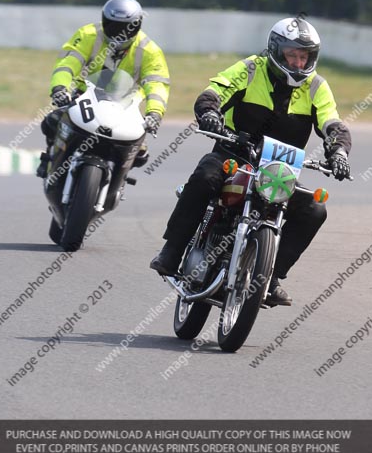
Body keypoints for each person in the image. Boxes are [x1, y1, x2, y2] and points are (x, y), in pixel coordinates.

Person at [150, 16, 352, 306]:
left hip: (280, 169)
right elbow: (215, 91)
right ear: (276, 50)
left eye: (303, 57)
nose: (297, 63)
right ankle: (173, 249)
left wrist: (339, 152)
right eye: (292, 55)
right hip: (233, 155)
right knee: (205, 176)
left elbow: (332, 122)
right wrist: (209, 112)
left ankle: (272, 277)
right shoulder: (250, 69)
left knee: (314, 209)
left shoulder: (316, 86)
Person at [36, 0, 170, 178]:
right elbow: (67, 64)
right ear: (104, 21)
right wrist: (60, 88)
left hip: (125, 104)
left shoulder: (149, 50)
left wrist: (155, 112)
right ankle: (50, 158)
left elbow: (157, 84)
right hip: (83, 96)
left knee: (140, 153)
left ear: (137, 26)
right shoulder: (87, 35)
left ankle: (119, 180)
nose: (119, 33)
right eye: (113, 26)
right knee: (52, 121)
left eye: (125, 28)